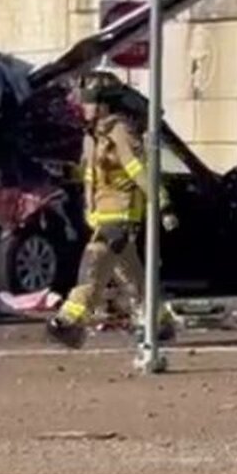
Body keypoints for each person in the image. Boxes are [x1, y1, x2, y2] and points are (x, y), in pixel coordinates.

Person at [47, 72, 177, 349]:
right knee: (132, 275)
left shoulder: (120, 131)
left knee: (93, 268)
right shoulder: (93, 136)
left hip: (120, 215)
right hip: (100, 216)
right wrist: (65, 172)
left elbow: (140, 170)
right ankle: (159, 320)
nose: (82, 107)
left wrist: (162, 203)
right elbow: (92, 173)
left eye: (88, 102)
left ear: (104, 105)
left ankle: (70, 321)